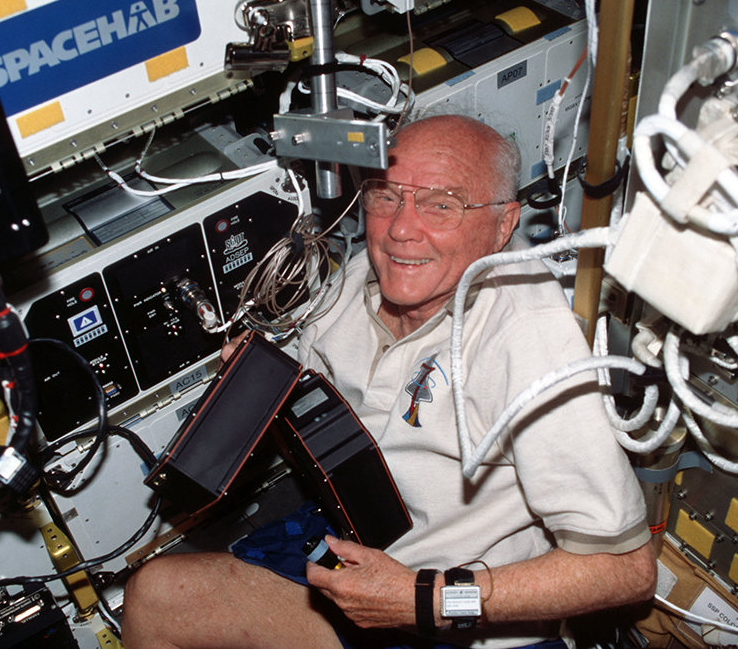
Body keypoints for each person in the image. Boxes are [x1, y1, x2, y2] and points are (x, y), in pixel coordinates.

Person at [121, 115, 656, 649]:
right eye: (386, 196)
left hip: (461, 612)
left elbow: (626, 571)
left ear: (502, 224)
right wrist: (263, 391)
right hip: (353, 548)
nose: (401, 229)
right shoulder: (355, 279)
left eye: (441, 205)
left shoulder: (527, 339)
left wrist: (430, 600)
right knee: (154, 597)